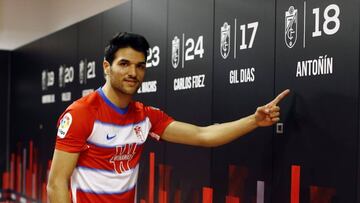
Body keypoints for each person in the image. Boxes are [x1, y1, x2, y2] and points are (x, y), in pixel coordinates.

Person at [47, 32, 290, 203]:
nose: (133, 73)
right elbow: (57, 183)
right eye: (124, 64)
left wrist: (254, 121)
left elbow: (203, 135)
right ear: (106, 67)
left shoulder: (145, 116)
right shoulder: (81, 113)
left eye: (140, 66)